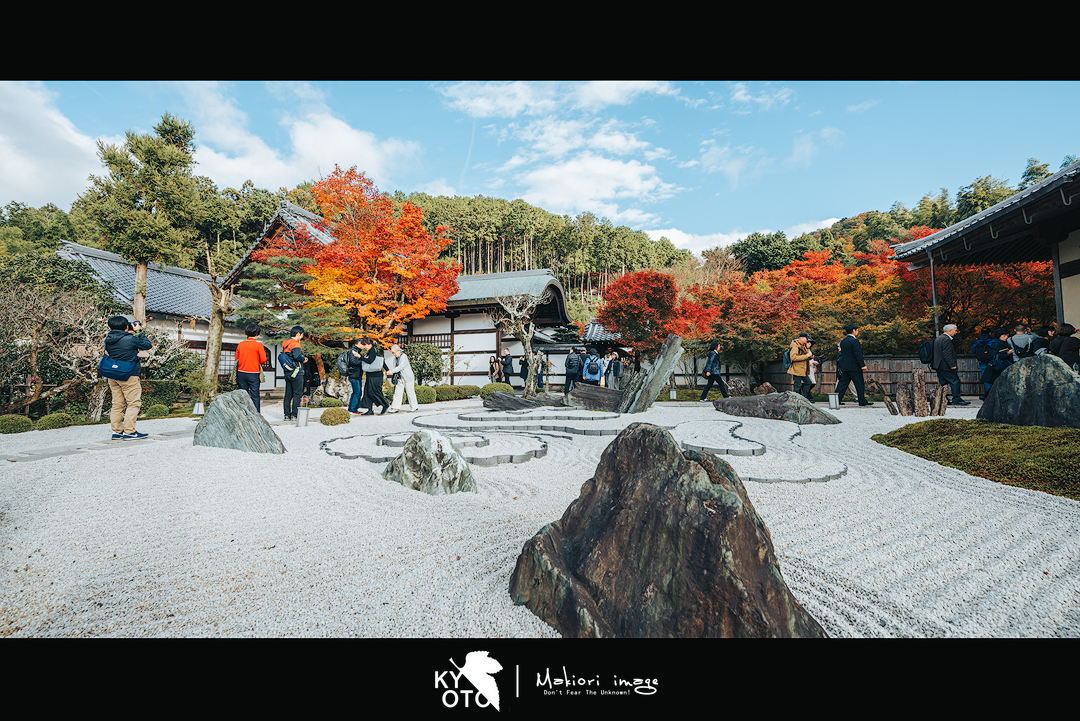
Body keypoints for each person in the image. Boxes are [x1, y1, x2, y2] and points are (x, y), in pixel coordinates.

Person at [104, 315, 153, 440]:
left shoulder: (108, 339)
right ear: (126, 326)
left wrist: (128, 332)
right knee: (133, 403)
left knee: (117, 404)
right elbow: (147, 345)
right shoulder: (130, 338)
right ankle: (130, 432)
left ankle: (117, 432)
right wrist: (138, 331)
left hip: (113, 374)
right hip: (128, 374)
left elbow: (121, 342)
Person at [834, 324, 873, 406]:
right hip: (854, 367)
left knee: (842, 383)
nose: (857, 332)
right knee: (859, 383)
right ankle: (861, 400)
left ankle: (836, 400)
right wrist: (862, 365)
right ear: (854, 330)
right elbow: (858, 354)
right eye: (857, 330)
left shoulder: (843, 341)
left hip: (845, 366)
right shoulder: (855, 341)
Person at [932, 324, 969, 405]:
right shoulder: (946, 339)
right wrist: (952, 364)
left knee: (943, 383)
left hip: (938, 365)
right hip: (946, 366)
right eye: (955, 330)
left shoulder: (938, 338)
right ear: (950, 330)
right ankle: (956, 399)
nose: (956, 332)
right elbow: (947, 354)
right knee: (955, 381)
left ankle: (943, 399)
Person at [236, 323, 266, 412]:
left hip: (241, 372)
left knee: (242, 394)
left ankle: (242, 413)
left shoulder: (241, 344)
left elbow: (236, 358)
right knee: (255, 395)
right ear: (257, 333)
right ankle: (256, 414)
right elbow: (264, 359)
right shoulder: (259, 345)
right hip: (253, 373)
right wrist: (257, 362)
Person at [358, 338, 389, 416]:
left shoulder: (372, 350)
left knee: (374, 392)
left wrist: (360, 357)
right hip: (371, 375)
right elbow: (381, 361)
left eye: (365, 345)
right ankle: (370, 410)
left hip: (375, 376)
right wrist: (387, 369)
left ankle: (385, 404)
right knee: (367, 393)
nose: (364, 347)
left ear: (369, 344)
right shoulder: (371, 351)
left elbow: (370, 361)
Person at [385, 344, 419, 413]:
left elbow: (401, 366)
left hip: (407, 377)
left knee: (410, 392)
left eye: (394, 352)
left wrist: (392, 371)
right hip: (399, 377)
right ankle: (395, 407)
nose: (393, 354)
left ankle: (414, 407)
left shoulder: (404, 356)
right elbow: (395, 367)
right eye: (392, 353)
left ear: (399, 351)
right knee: (397, 392)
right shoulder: (395, 358)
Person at [282, 325, 305, 421]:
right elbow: (296, 356)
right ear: (298, 334)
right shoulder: (295, 344)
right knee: (297, 394)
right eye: (302, 334)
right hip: (296, 371)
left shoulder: (286, 344)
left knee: (288, 394)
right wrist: (303, 358)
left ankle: (287, 415)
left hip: (287, 372)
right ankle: (294, 415)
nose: (302, 336)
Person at [982, 328, 1015, 393]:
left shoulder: (997, 342)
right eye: (1004, 335)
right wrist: (1007, 353)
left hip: (998, 366)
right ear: (1000, 335)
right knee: (997, 383)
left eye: (1007, 335)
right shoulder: (997, 344)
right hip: (998, 366)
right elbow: (994, 355)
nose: (1006, 337)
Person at [786, 333, 815, 401]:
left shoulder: (802, 346)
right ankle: (796, 400)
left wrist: (811, 357)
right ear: (801, 338)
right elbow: (793, 358)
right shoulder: (795, 347)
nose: (807, 340)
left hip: (803, 369)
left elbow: (805, 356)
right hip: (797, 369)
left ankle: (803, 398)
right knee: (797, 386)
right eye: (806, 338)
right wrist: (807, 356)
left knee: (808, 383)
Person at [346, 338, 368, 415]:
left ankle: (352, 408)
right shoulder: (353, 351)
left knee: (356, 392)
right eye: (363, 344)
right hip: (354, 374)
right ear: (358, 344)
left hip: (356, 374)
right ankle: (353, 409)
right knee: (357, 392)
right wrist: (363, 361)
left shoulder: (357, 351)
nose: (364, 346)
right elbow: (353, 362)